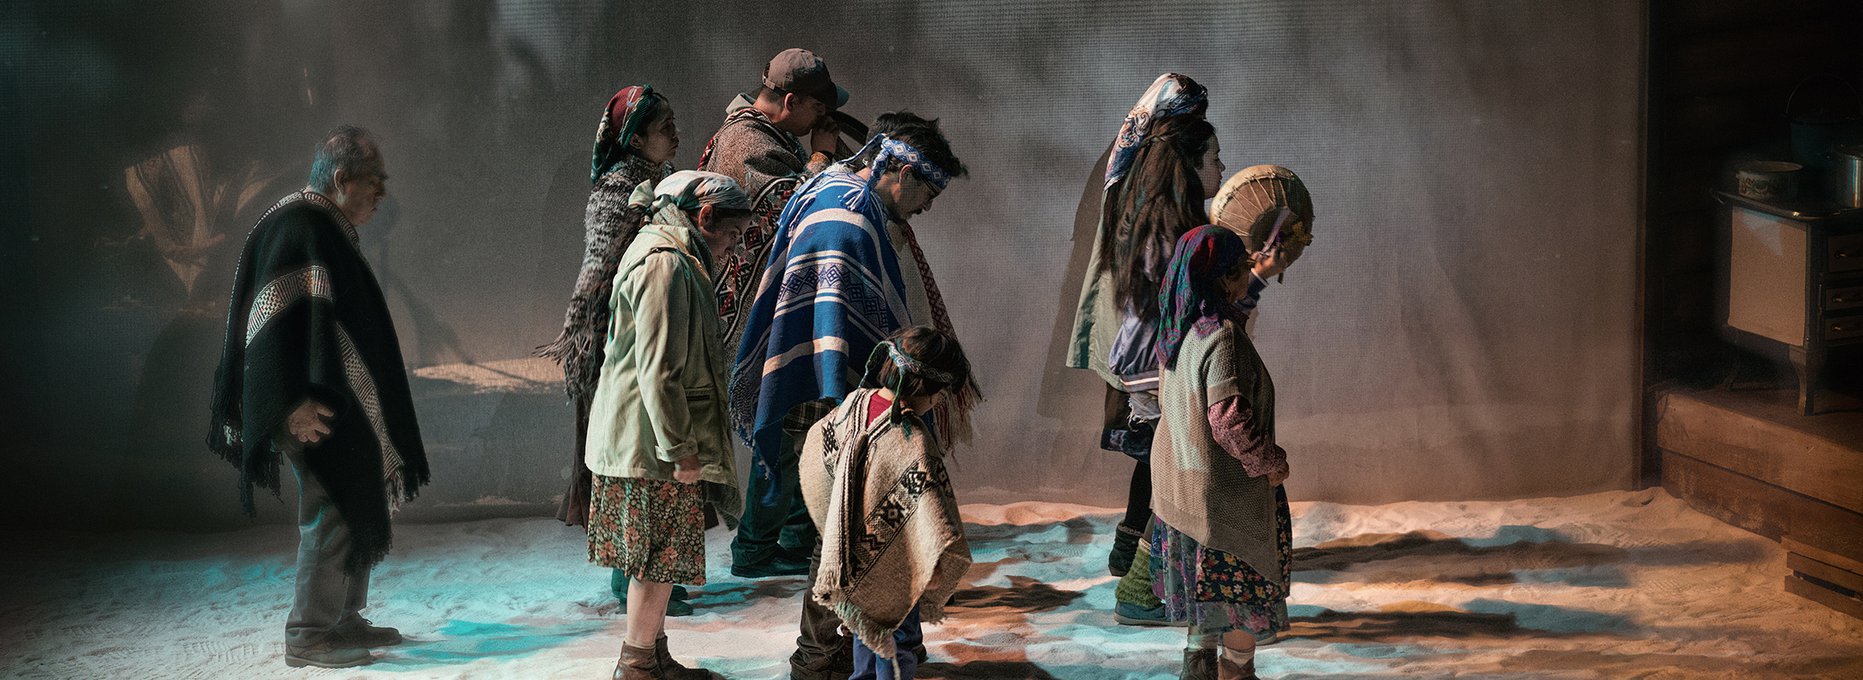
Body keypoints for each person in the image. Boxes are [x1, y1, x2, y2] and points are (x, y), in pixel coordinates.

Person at [729, 122, 969, 680]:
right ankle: (815, 660)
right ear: (903, 173)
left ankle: (841, 648)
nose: (926, 208)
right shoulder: (851, 221)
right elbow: (844, 325)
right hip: (828, 389)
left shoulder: (831, 185)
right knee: (838, 533)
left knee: (838, 528)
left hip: (814, 384)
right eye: (928, 194)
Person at [206, 125, 429, 669]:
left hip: (331, 400)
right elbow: (268, 324)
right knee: (331, 507)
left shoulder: (323, 226)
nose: (381, 194)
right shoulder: (298, 224)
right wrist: (289, 405)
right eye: (374, 182)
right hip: (309, 407)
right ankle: (308, 633)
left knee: (355, 498)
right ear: (342, 177)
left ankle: (342, 619)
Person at [584, 170, 750, 680]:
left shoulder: (667, 253)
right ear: (705, 216)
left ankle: (654, 657)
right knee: (657, 559)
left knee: (658, 556)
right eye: (733, 234)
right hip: (648, 442)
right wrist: (680, 448)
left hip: (642, 436)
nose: (735, 247)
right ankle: (636, 665)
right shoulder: (666, 264)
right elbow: (658, 371)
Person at [536, 84, 694, 613]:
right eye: (664, 127)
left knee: (653, 458)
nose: (675, 134)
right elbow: (598, 271)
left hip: (649, 333)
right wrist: (589, 339)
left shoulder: (661, 183)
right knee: (632, 462)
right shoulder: (616, 191)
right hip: (616, 343)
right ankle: (631, 578)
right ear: (635, 138)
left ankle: (651, 574)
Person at [1061, 74, 1212, 585]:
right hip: (1148, 345)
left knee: (1156, 453)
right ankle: (1145, 568)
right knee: (1165, 450)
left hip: (1140, 338)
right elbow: (1161, 286)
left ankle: (1133, 551)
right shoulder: (1155, 193)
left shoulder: (1141, 171)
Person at [1146, 223, 1308, 680]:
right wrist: (1271, 464)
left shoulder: (1178, 332)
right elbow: (1228, 422)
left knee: (1206, 600)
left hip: (1182, 494)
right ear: (1224, 278)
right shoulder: (1221, 338)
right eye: (1242, 267)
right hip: (1223, 504)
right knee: (1240, 602)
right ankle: (1236, 673)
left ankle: (1198, 670)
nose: (1247, 274)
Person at [799, 326, 980, 680]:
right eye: (940, 395)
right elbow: (929, 510)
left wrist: (837, 515)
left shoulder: (855, 403)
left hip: (849, 555)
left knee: (865, 631)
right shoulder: (911, 439)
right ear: (923, 387)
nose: (938, 403)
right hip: (896, 560)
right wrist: (933, 561)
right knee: (897, 638)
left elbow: (819, 441)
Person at [699, 48, 849, 363]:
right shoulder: (745, 143)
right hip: (732, 315)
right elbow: (792, 211)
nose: (822, 117)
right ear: (790, 101)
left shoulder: (771, 135)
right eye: (817, 107)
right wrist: (821, 155)